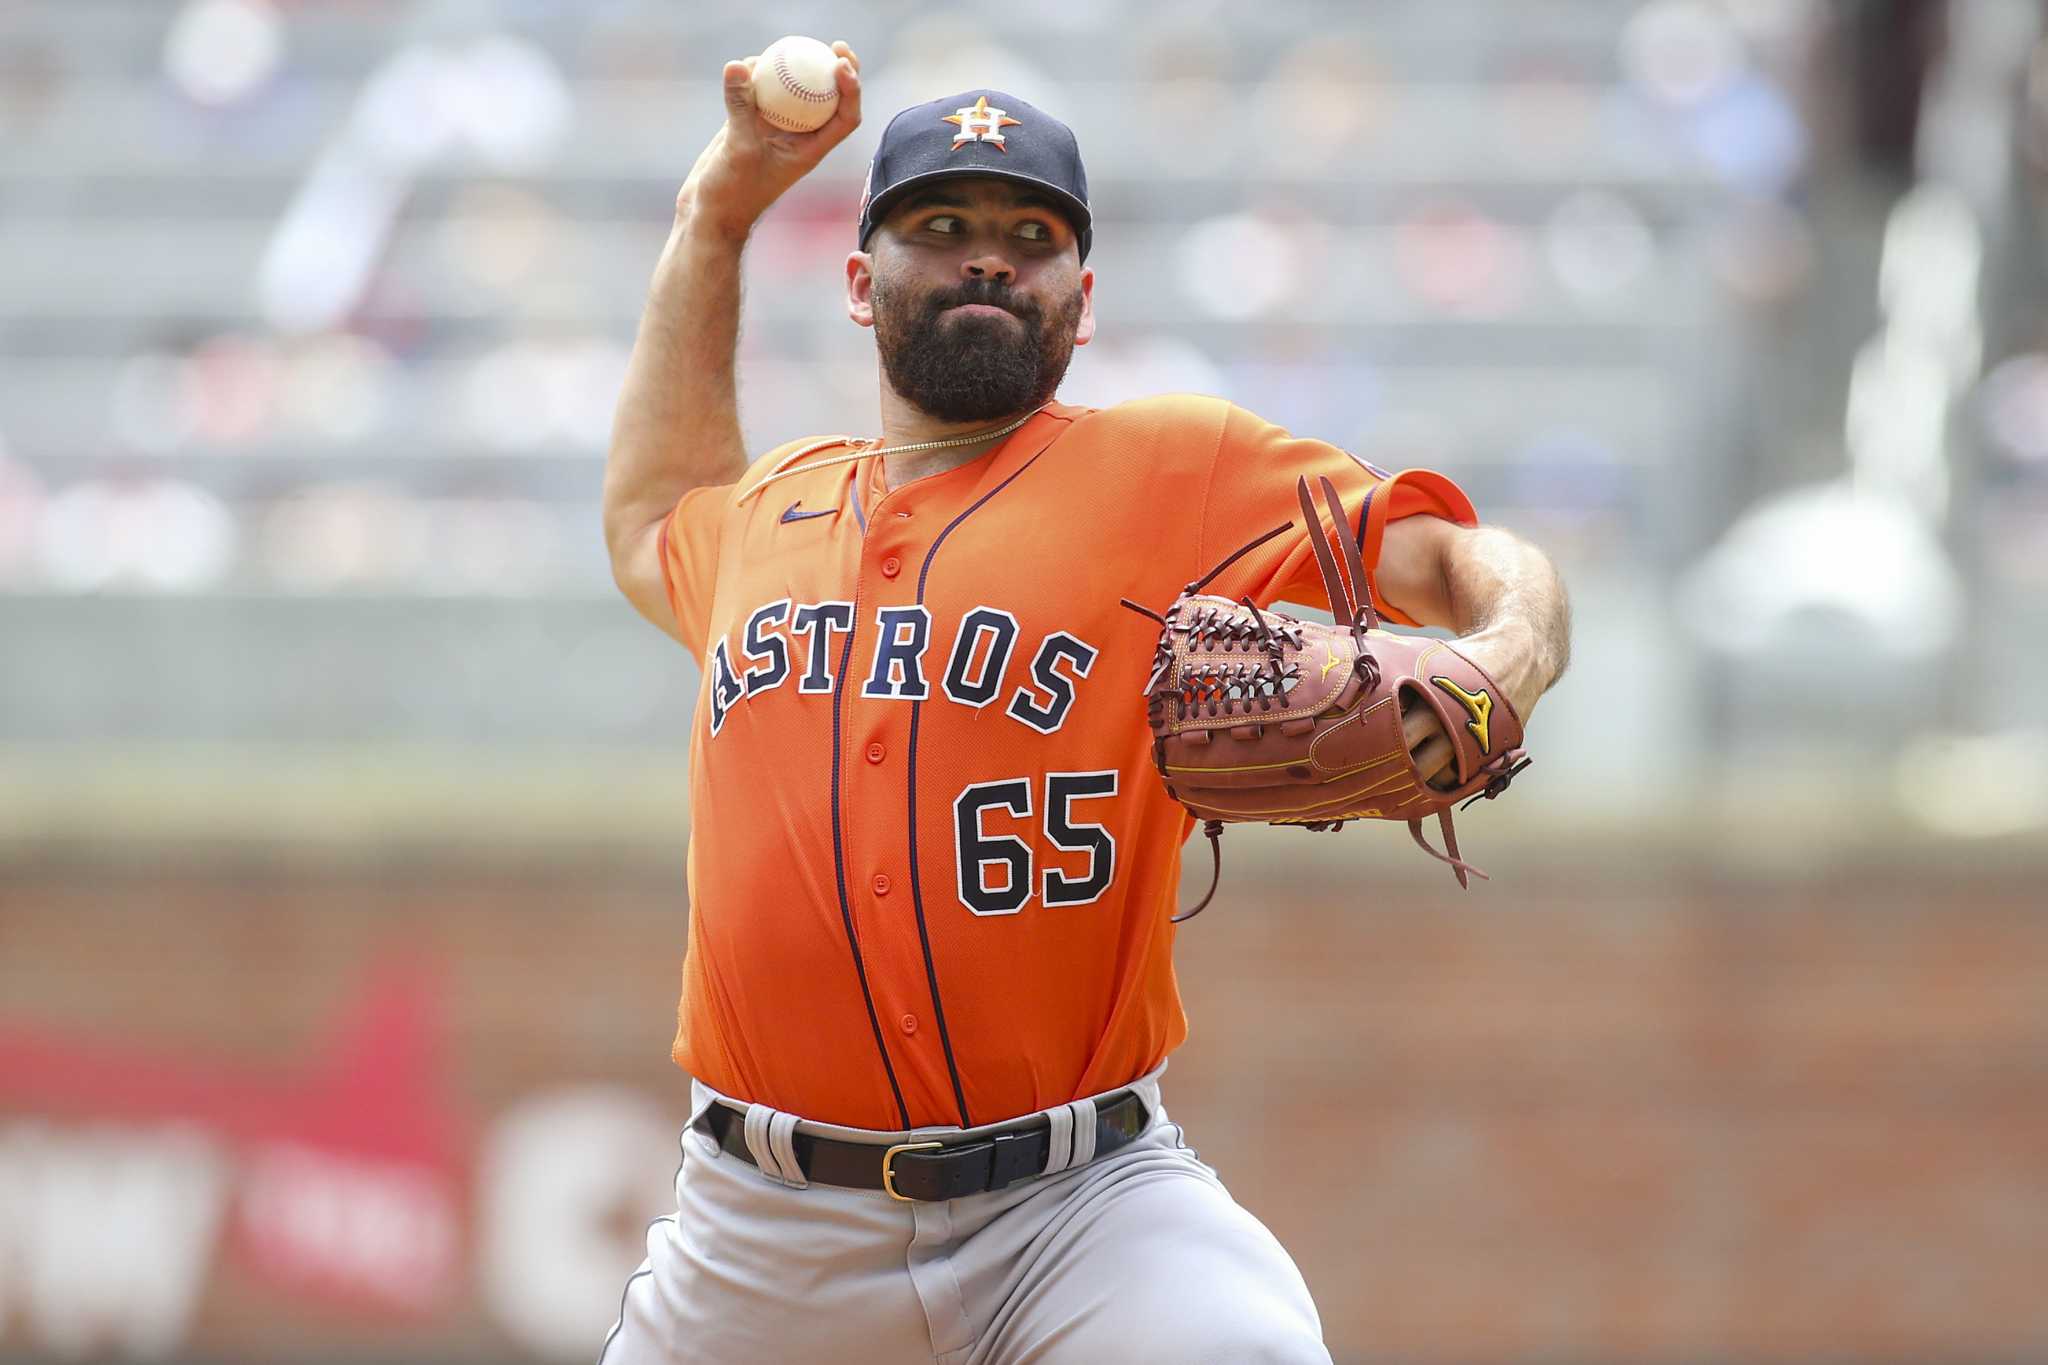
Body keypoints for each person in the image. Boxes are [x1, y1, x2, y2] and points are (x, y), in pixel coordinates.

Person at [600, 41, 1570, 1365]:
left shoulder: (1175, 470)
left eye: (1031, 235)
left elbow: (1466, 561)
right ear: (856, 279)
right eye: (941, 227)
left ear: (1084, 298)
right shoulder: (773, 507)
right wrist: (716, 211)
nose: (988, 258)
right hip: (754, 1236)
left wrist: (1510, 645)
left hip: (1077, 1210)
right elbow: (651, 507)